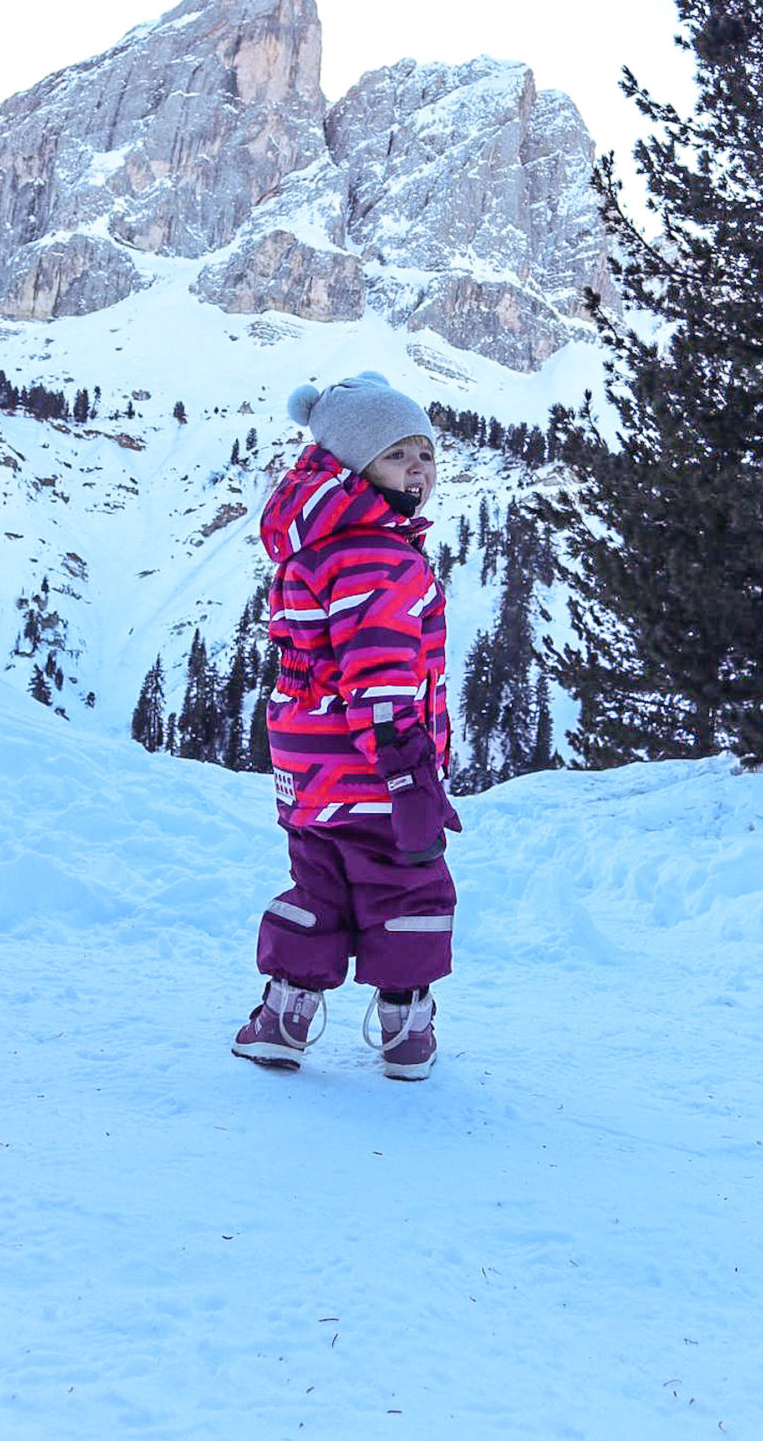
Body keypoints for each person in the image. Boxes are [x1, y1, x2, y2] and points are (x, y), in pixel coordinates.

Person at [232, 371, 460, 1080]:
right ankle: (405, 1029)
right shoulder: (376, 557)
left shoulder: (318, 546)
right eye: (397, 455)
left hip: (311, 772)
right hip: (371, 770)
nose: (417, 469)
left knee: (319, 889)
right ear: (353, 466)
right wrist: (408, 772)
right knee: (409, 891)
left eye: (424, 454)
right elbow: (382, 675)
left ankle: (285, 1016)